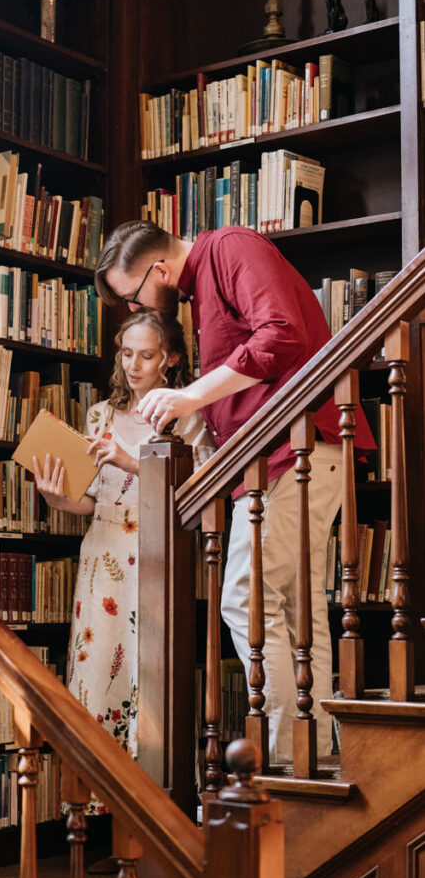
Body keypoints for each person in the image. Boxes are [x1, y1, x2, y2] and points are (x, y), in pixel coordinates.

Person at [93, 220, 375, 763]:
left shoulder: (229, 247)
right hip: (278, 458)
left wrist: (191, 396)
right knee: (297, 605)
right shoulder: (203, 283)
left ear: (159, 269)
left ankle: (285, 751)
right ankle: (303, 748)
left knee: (245, 597)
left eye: (133, 297)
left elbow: (282, 333)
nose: (137, 309)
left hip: (296, 451)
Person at [32, 311, 213, 801]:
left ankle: (158, 809)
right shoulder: (99, 415)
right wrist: (55, 498)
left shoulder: (188, 416)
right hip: (101, 555)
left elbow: (198, 495)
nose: (133, 365)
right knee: (95, 675)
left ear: (170, 360)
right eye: (126, 353)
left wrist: (131, 460)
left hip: (156, 554)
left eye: (147, 355)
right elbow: (92, 501)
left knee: (148, 675)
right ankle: (101, 814)